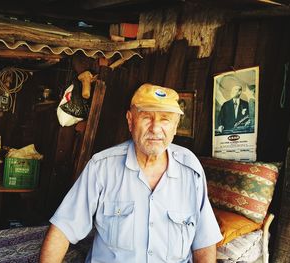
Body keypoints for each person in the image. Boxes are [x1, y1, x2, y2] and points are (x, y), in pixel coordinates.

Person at [40, 83, 222, 263]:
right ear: (130, 120)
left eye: (165, 119)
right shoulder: (102, 167)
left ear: (175, 126)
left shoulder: (191, 170)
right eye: (146, 117)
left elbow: (204, 242)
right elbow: (63, 229)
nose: (155, 128)